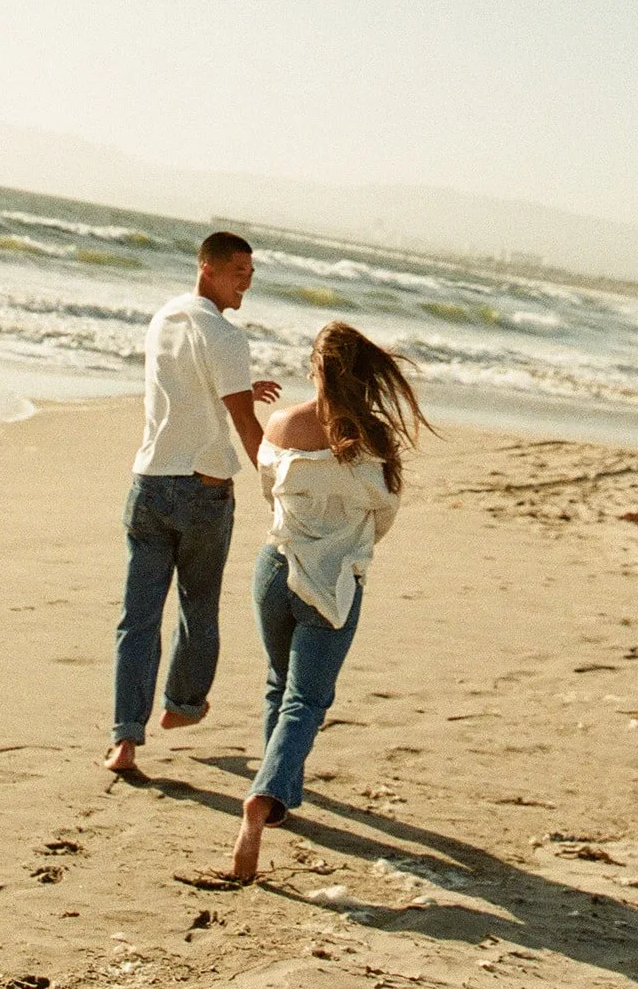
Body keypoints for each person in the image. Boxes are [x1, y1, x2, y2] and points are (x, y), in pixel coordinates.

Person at [230, 321, 432, 880]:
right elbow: (383, 516)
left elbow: (270, 487)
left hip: (273, 570)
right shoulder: (375, 439)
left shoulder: (283, 423)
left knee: (279, 683)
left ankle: (276, 799)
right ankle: (263, 798)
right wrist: (343, 541)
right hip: (334, 581)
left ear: (314, 369)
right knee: (306, 700)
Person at [105, 231, 280, 774]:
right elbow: (244, 425)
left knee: (138, 617)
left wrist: (242, 389)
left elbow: (184, 391)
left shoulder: (164, 319)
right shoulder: (227, 337)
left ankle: (124, 740)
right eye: (238, 271)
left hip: (150, 484)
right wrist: (276, 490)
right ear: (207, 267)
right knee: (197, 607)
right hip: (202, 493)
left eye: (251, 273)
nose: (246, 282)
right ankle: (182, 706)